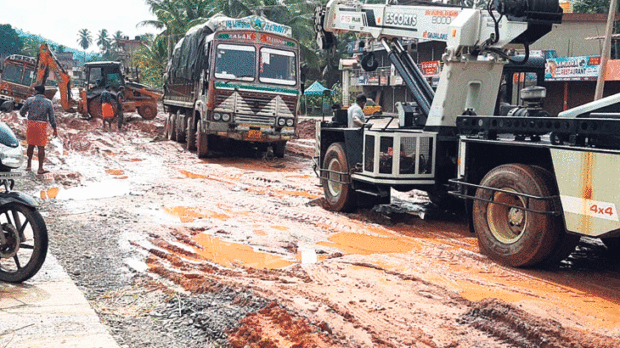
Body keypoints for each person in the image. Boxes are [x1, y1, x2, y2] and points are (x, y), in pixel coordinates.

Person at [19, 85, 58, 175]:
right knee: (41, 147)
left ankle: (29, 165)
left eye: (34, 91)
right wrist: (55, 129)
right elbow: (52, 118)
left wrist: (26, 116)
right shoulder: (48, 102)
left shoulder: (29, 100)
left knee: (30, 145)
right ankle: (40, 168)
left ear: (36, 91)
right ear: (43, 92)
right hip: (42, 125)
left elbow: (21, 112)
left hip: (31, 124)